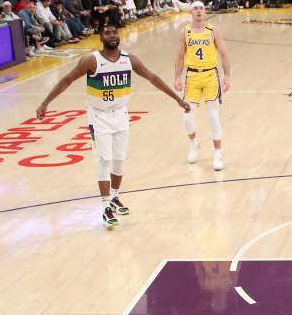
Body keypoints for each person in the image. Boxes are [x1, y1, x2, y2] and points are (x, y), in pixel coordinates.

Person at [35, 24, 190, 229]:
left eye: (114, 32)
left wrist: (178, 99)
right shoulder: (91, 60)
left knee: (119, 160)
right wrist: (45, 102)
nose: (112, 35)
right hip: (99, 117)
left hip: (121, 115)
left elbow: (152, 77)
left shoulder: (129, 59)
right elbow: (66, 80)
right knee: (104, 161)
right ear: (100, 38)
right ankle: (105, 207)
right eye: (107, 33)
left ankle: (114, 197)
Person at [173, 0, 231, 171]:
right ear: (191, 12)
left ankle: (218, 153)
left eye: (201, 8)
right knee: (187, 117)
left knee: (213, 115)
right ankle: (194, 143)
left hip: (210, 75)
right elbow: (180, 56)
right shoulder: (185, 32)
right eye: (196, 8)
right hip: (192, 76)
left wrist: (227, 76)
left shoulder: (213, 31)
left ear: (205, 12)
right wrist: (177, 77)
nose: (199, 11)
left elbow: (224, 54)